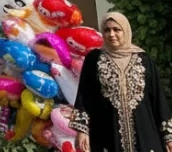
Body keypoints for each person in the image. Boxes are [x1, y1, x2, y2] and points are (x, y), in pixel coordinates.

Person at [71, 12, 172, 152]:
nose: (111, 34)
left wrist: (168, 136)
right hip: (107, 134)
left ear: (125, 30)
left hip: (145, 133)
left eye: (116, 29)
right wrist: (82, 130)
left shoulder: (143, 59)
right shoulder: (94, 59)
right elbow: (85, 96)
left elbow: (157, 98)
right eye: (107, 30)